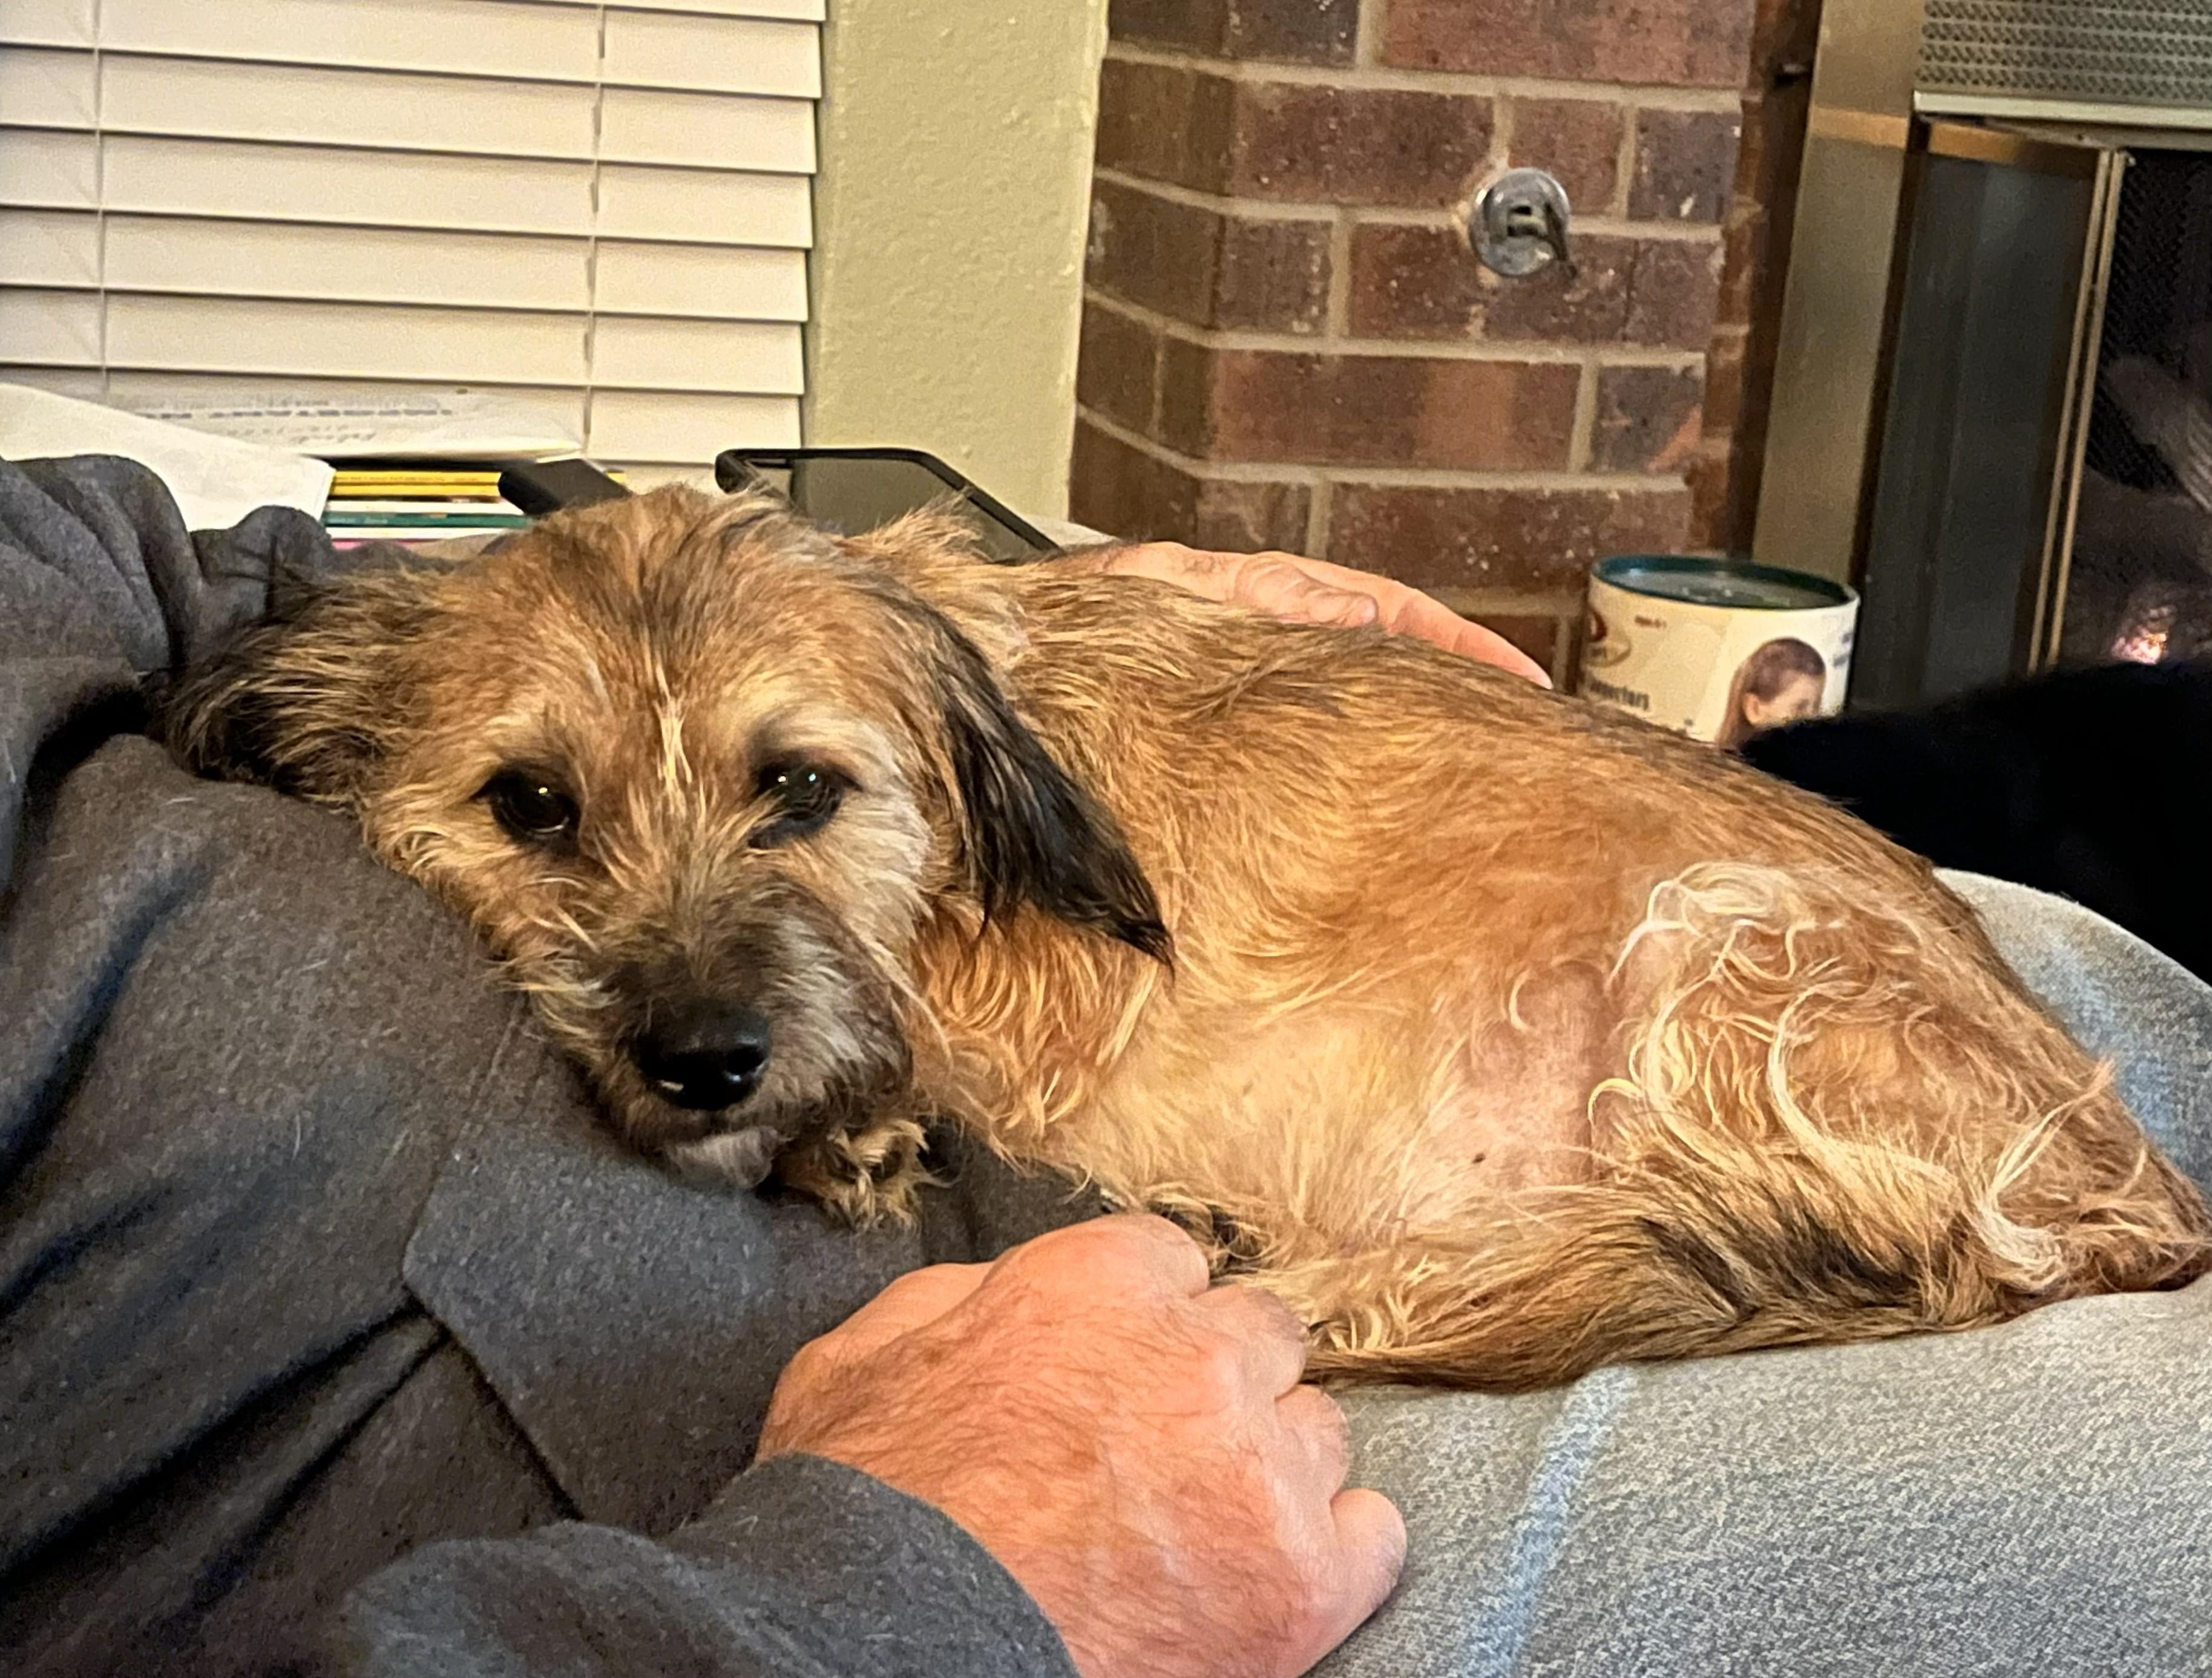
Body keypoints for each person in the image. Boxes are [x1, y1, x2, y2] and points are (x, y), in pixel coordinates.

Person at [5, 457, 2211, 1678]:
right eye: (533, 812)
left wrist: (1028, 597)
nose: (684, 965)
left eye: (793, 794)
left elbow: (225, 579)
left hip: (1646, 1040)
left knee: (2085, 920)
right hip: (969, 1496)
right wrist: (888, 1607)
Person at [1714, 635, 1827, 749]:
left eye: (1817, 707)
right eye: (1799, 710)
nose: (1813, 722)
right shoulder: (1722, 765)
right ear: (1755, 709)